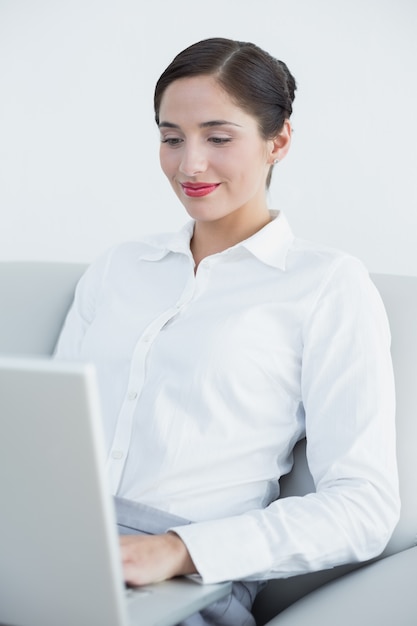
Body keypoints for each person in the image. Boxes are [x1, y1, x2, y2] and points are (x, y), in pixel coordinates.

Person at [54, 37, 400, 625]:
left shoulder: (326, 285)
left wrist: (179, 550)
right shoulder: (118, 268)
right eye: (171, 138)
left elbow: (364, 507)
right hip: (54, 544)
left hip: (179, 581)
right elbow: (46, 439)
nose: (190, 164)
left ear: (278, 140)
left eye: (218, 137)